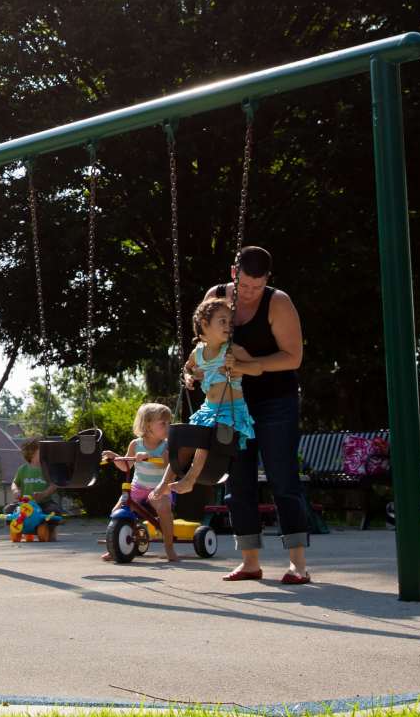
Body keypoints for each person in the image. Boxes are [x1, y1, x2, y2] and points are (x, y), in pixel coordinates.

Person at [189, 246, 312, 585]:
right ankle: (249, 561)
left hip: (275, 400)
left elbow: (293, 357)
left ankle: (297, 563)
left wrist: (250, 366)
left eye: (257, 287)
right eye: (244, 286)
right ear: (234, 274)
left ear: (267, 281)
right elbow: (204, 341)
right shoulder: (215, 296)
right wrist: (198, 372)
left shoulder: (278, 303)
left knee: (282, 477)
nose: (249, 294)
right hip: (231, 404)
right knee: (238, 481)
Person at [168, 298, 259, 497]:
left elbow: (257, 368)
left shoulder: (232, 350)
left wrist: (238, 366)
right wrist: (189, 377)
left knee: (204, 439)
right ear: (205, 325)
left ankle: (190, 480)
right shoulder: (198, 352)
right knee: (186, 441)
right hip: (208, 408)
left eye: (230, 322)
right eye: (222, 321)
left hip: (229, 409)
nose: (228, 326)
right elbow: (187, 367)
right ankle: (164, 483)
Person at [101, 403, 183, 562]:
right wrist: (114, 457)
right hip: (138, 488)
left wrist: (147, 457)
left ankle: (169, 547)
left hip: (159, 488)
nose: (168, 426)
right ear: (148, 425)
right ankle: (115, 546)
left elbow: (166, 464)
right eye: (163, 423)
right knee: (117, 509)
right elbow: (126, 465)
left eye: (169, 423)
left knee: (165, 510)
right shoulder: (135, 444)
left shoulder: (167, 445)